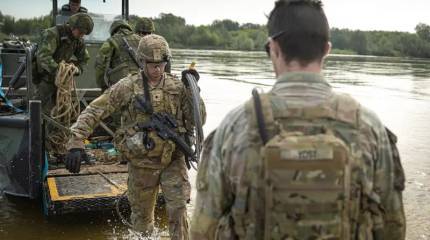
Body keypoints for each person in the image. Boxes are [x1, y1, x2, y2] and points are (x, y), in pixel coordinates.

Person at [191, 1, 406, 240]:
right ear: (327, 49)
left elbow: (203, 228)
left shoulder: (235, 125)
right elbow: (392, 226)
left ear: (273, 48)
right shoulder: (369, 125)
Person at [65, 34, 206, 240]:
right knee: (141, 221)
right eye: (151, 64)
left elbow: (198, 120)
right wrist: (76, 141)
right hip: (141, 162)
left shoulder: (177, 86)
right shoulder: (128, 86)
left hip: (172, 160)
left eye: (161, 64)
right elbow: (96, 110)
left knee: (178, 210)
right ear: (141, 62)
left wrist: (194, 91)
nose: (157, 69)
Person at [34, 12, 93, 114]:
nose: (82, 35)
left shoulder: (78, 40)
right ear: (72, 26)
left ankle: (55, 129)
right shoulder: (52, 34)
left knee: (59, 112)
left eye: (84, 33)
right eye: (80, 32)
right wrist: (60, 71)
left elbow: (85, 59)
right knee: (37, 111)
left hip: (61, 84)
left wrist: (76, 70)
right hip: (44, 80)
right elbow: (43, 57)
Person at [95, 19, 141, 91]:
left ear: (113, 30)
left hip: (121, 86)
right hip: (141, 84)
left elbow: (100, 64)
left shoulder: (111, 41)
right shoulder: (141, 39)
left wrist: (102, 85)